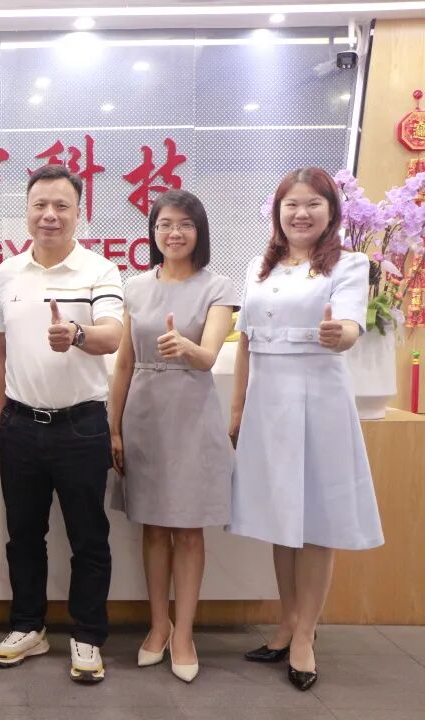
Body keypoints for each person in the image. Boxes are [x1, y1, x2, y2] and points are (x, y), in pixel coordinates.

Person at [229, 166, 384, 691]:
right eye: (291, 204)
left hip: (319, 401)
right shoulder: (259, 266)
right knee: (282, 516)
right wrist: (237, 410)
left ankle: (304, 636)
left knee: (315, 521)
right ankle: (286, 621)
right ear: (277, 212)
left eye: (313, 204)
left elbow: (350, 327)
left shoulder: (349, 263)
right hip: (267, 404)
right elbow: (246, 341)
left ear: (332, 212)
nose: (301, 213)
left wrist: (339, 332)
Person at [0, 165, 123, 683]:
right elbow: (2, 354)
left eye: (61, 206)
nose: (50, 215)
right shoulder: (7, 273)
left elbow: (113, 335)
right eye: (40, 205)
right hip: (20, 426)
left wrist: (77, 335)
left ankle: (88, 636)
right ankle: (29, 627)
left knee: (89, 538)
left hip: (81, 427)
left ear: (78, 212)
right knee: (23, 536)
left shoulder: (99, 270)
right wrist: (1, 418)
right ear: (26, 211)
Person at [108, 190, 236, 683]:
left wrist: (184, 346)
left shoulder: (217, 286)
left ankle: (184, 633)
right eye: (164, 224)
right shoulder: (135, 286)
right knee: (154, 526)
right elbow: (123, 362)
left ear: (199, 231)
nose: (174, 233)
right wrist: (113, 426)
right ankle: (158, 625)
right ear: (153, 232)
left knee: (188, 528)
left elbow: (209, 357)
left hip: (192, 414)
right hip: (143, 414)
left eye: (184, 224)